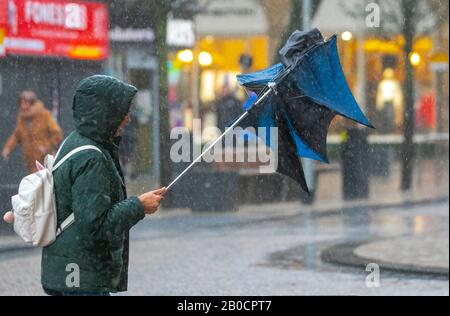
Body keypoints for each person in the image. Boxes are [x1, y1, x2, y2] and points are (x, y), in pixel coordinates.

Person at [39, 75, 166, 296]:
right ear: (105, 113)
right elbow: (96, 227)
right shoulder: (92, 158)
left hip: (68, 271)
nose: (127, 119)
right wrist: (138, 205)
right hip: (81, 278)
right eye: (122, 111)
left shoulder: (75, 140)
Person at [2, 91, 63, 173]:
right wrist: (8, 148)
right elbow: (17, 136)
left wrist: (46, 147)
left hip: (45, 162)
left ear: (32, 103)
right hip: (31, 163)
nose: (23, 106)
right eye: (21, 103)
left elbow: (57, 133)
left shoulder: (44, 115)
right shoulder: (22, 118)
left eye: (26, 103)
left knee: (46, 183)